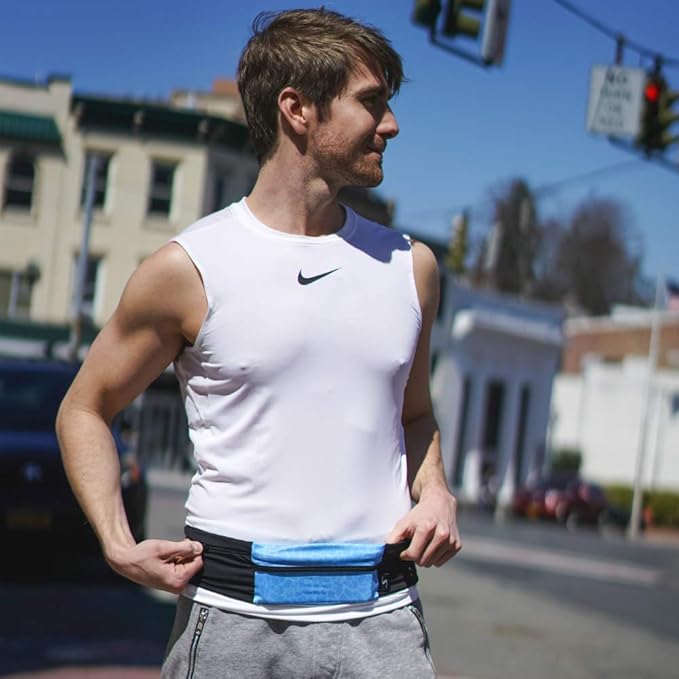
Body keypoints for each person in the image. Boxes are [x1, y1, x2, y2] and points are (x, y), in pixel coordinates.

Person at [57, 8, 461, 677]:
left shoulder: (410, 267)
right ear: (297, 109)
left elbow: (414, 415)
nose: (390, 124)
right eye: (370, 103)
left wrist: (437, 493)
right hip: (233, 621)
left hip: (383, 621)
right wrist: (117, 541)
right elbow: (84, 407)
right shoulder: (188, 269)